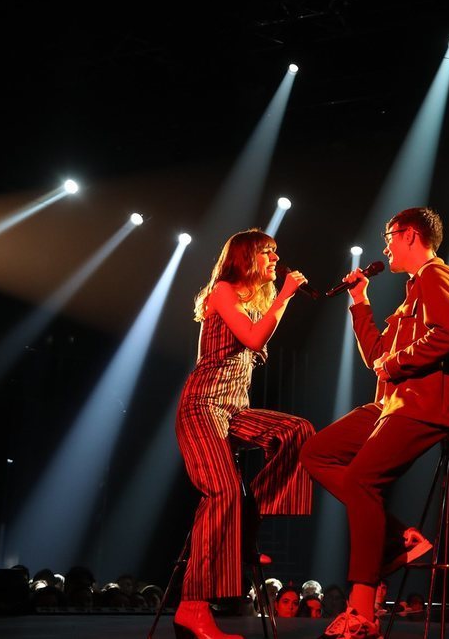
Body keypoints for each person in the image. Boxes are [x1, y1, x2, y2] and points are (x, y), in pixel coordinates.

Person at [300, 207, 449, 638]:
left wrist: (395, 363)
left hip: (425, 404)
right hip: (391, 403)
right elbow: (378, 356)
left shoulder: (436, 275)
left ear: (410, 235)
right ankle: (401, 539)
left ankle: (362, 611)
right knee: (316, 452)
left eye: (389, 236)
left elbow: (448, 333)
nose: (385, 246)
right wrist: (360, 302)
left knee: (360, 481)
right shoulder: (411, 294)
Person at [174, 229, 315, 639]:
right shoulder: (222, 291)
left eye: (275, 252)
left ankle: (248, 519)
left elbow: (257, 334)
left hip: (235, 410)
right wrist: (285, 296)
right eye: (267, 252)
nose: (275, 258)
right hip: (202, 406)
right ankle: (193, 607)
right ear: (246, 257)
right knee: (223, 492)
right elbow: (254, 338)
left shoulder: (256, 303)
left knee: (297, 431)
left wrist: (277, 299)